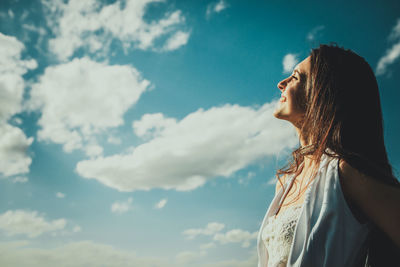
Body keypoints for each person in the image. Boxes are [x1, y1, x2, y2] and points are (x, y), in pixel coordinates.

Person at [257, 44, 400, 267]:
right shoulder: (285, 183)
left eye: (295, 77)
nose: (281, 83)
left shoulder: (346, 173)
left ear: (321, 93)